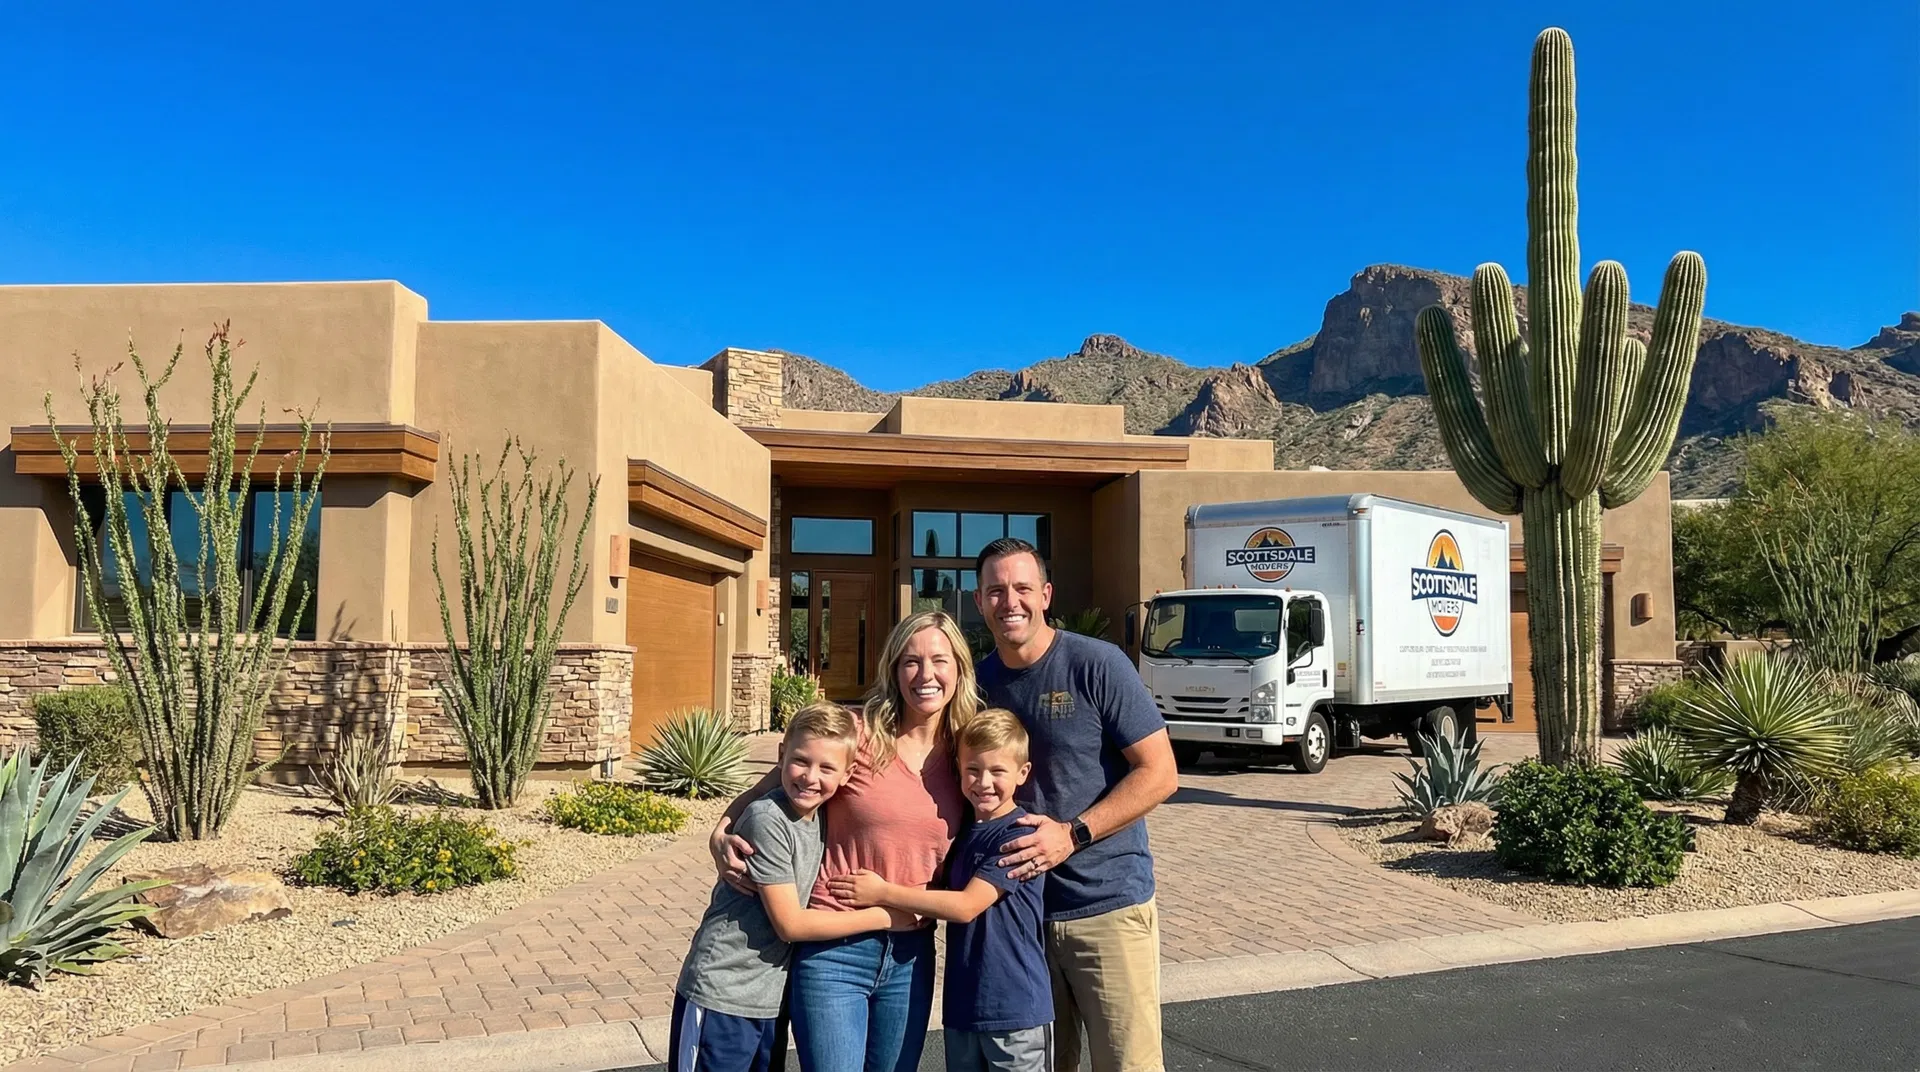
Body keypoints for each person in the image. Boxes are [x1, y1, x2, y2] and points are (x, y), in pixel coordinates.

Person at [709, 610, 976, 1072]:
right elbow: (772, 785)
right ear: (893, 669)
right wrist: (722, 828)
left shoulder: (966, 752)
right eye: (910, 661)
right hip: (835, 950)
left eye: (939, 660)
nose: (925, 674)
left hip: (911, 955)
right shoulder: (858, 732)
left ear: (959, 668)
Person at [973, 536, 1179, 1072]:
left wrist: (1072, 834)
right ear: (978, 601)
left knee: (1126, 1064)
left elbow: (1160, 774)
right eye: (995, 590)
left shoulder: (1096, 664)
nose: (1008, 601)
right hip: (1020, 916)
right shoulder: (975, 684)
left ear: (1045, 594)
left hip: (1106, 905)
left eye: (1021, 588)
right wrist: (742, 812)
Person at [671, 702, 910, 1072]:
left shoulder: (816, 814)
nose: (811, 777)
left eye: (827, 767)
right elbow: (791, 925)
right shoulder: (769, 819)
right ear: (781, 756)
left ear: (847, 775)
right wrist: (882, 915)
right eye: (801, 761)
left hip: (766, 1001)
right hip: (722, 992)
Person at [829, 706, 1053, 1072]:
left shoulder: (1020, 836)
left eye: (998, 771)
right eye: (973, 770)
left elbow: (965, 906)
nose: (984, 782)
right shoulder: (963, 832)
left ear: (1022, 773)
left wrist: (882, 892)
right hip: (964, 1007)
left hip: (1015, 1010)